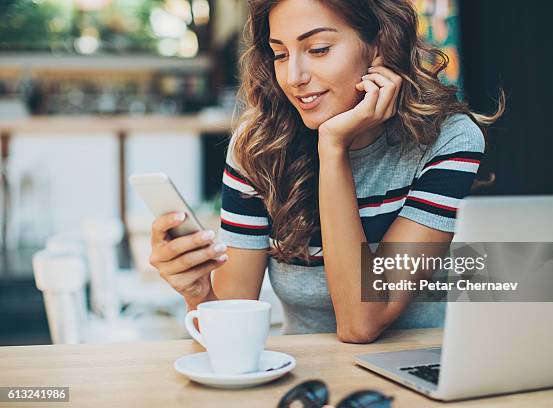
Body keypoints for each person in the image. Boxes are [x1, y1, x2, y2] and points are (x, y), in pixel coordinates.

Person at [148, 0, 503, 343]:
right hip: (309, 382)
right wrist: (198, 294)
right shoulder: (258, 148)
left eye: (318, 49)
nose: (294, 77)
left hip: (421, 377)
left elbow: (361, 322)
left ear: (378, 44)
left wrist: (332, 148)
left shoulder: (447, 138)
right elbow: (227, 333)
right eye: (281, 54)